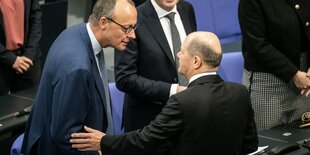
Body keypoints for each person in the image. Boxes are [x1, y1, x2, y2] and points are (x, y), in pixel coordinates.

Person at [70, 32, 258, 155]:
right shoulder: (240, 92)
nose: (177, 55)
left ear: (195, 61)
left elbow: (144, 140)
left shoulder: (181, 102)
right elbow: (250, 145)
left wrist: (104, 141)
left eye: (181, 51)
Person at [21, 0, 137, 154]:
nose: (133, 35)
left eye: (134, 27)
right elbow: (66, 138)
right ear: (103, 23)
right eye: (127, 28)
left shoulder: (77, 32)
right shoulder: (78, 68)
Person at [114, 0, 196, 154]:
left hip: (187, 117)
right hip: (149, 124)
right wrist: (173, 90)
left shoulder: (187, 9)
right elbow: (124, 78)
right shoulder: (133, 17)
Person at [239, 0, 310, 131]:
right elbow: (257, 45)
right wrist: (293, 74)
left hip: (305, 80)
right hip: (268, 83)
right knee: (269, 145)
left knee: (304, 141)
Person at [0, 0, 42, 96]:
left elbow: (35, 15)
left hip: (28, 59)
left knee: (28, 107)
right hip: (2, 59)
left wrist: (30, 54)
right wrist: (11, 59)